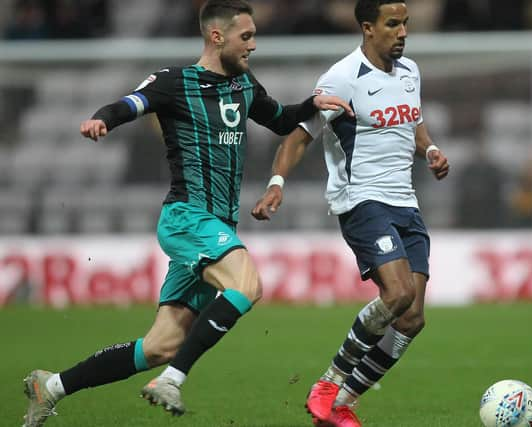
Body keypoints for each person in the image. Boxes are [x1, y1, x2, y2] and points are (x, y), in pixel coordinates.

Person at [21, 1, 352, 426]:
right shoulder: (174, 82)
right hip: (187, 218)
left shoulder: (244, 85)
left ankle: (50, 387)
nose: (253, 44)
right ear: (217, 36)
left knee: (160, 344)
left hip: (213, 227)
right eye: (245, 36)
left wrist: (314, 103)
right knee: (247, 285)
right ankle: (172, 379)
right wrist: (101, 119)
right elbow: (129, 104)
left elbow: (282, 120)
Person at [252, 1, 449, 426]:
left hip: (405, 202)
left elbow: (413, 120)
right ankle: (328, 382)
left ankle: (342, 404)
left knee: (412, 319)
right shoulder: (342, 78)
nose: (402, 32)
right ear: (367, 28)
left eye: (405, 24)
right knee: (396, 295)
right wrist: (276, 183)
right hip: (361, 200)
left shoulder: (411, 72)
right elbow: (299, 135)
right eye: (392, 24)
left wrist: (429, 148)